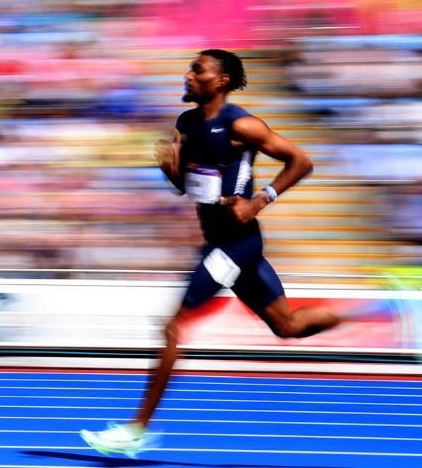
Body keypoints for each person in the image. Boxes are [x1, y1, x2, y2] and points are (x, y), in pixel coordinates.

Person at [82, 49, 348, 458]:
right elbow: (190, 188)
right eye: (190, 68)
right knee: (288, 326)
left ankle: (136, 430)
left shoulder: (242, 124)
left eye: (197, 70)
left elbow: (301, 161)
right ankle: (361, 312)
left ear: (220, 81)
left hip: (236, 243)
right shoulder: (186, 124)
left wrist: (258, 201)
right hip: (223, 243)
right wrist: (169, 169)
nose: (188, 75)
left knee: (172, 327)